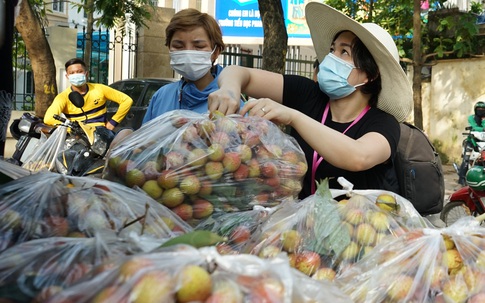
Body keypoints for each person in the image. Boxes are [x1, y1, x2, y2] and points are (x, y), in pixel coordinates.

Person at [208, 2, 413, 198]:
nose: (331, 58)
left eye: (344, 52)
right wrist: (229, 89)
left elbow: (359, 156)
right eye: (332, 50)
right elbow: (239, 72)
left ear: (370, 74)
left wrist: (293, 117)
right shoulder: (308, 94)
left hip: (356, 229)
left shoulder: (384, 124)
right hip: (301, 227)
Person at [142, 8, 244, 124]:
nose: (188, 53)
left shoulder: (229, 100)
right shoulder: (161, 96)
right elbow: (147, 139)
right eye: (178, 46)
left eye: (199, 46)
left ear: (216, 52)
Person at [44, 58, 133, 130]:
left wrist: (113, 122)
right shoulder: (62, 97)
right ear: (67, 76)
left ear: (86, 73)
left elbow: (126, 100)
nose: (76, 75)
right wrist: (69, 129)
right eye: (72, 73)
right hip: (77, 137)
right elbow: (48, 118)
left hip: (101, 134)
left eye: (79, 71)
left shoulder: (100, 89)